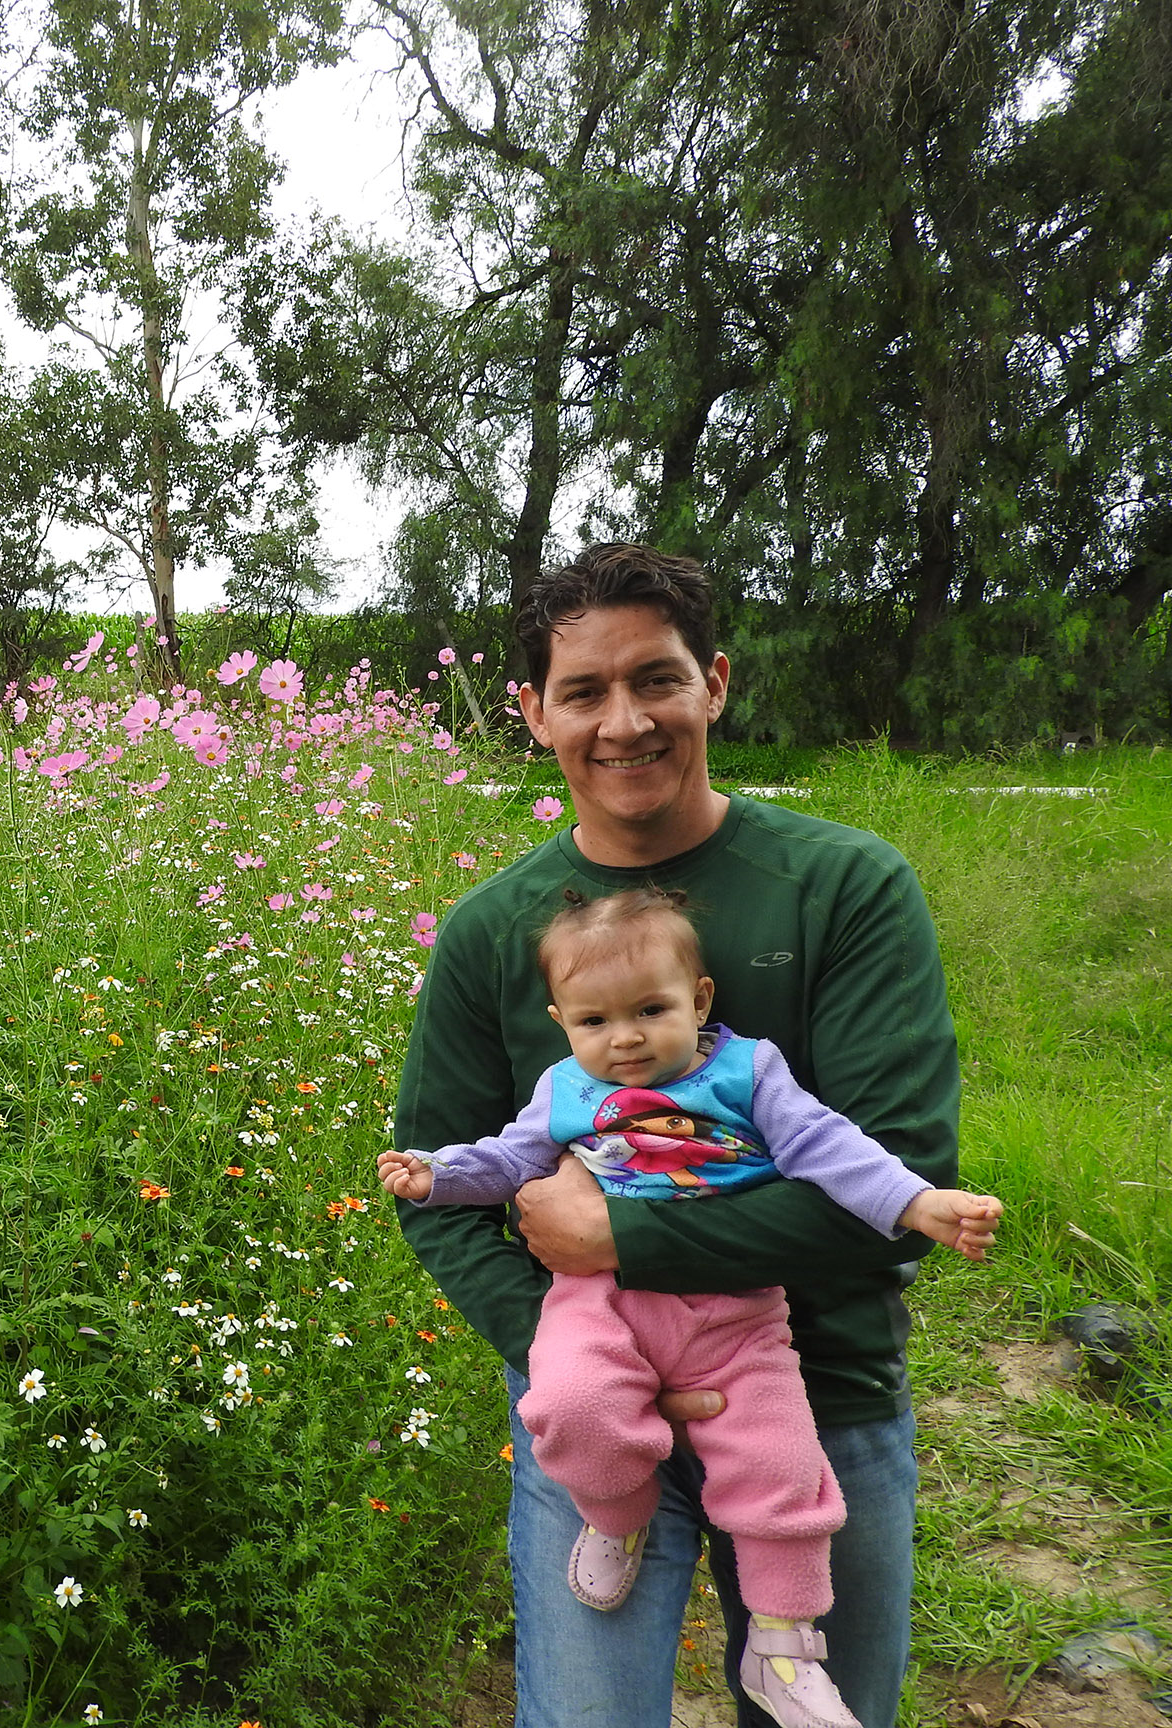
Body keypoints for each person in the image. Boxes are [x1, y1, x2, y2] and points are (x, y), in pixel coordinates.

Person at [392, 543, 967, 1728]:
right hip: (594, 1414)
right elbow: (433, 1185)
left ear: (713, 683)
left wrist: (617, 1241)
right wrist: (570, 1345)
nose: (624, 721)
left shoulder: (845, 887)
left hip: (824, 1395)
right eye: (583, 691)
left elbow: (894, 1186)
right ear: (532, 712)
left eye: (655, 679)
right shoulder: (492, 931)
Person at [379, 887, 1001, 1728]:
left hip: (735, 1311)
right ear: (562, 1021)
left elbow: (830, 1148)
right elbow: (504, 1160)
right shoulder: (564, 1090)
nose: (626, 1038)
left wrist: (917, 1204)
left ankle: (783, 1647)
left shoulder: (748, 1073)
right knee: (568, 1402)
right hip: (598, 1302)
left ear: (699, 1000)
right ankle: (616, 1516)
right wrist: (437, 1172)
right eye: (595, 1022)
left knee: (784, 1470)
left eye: (651, 1011)